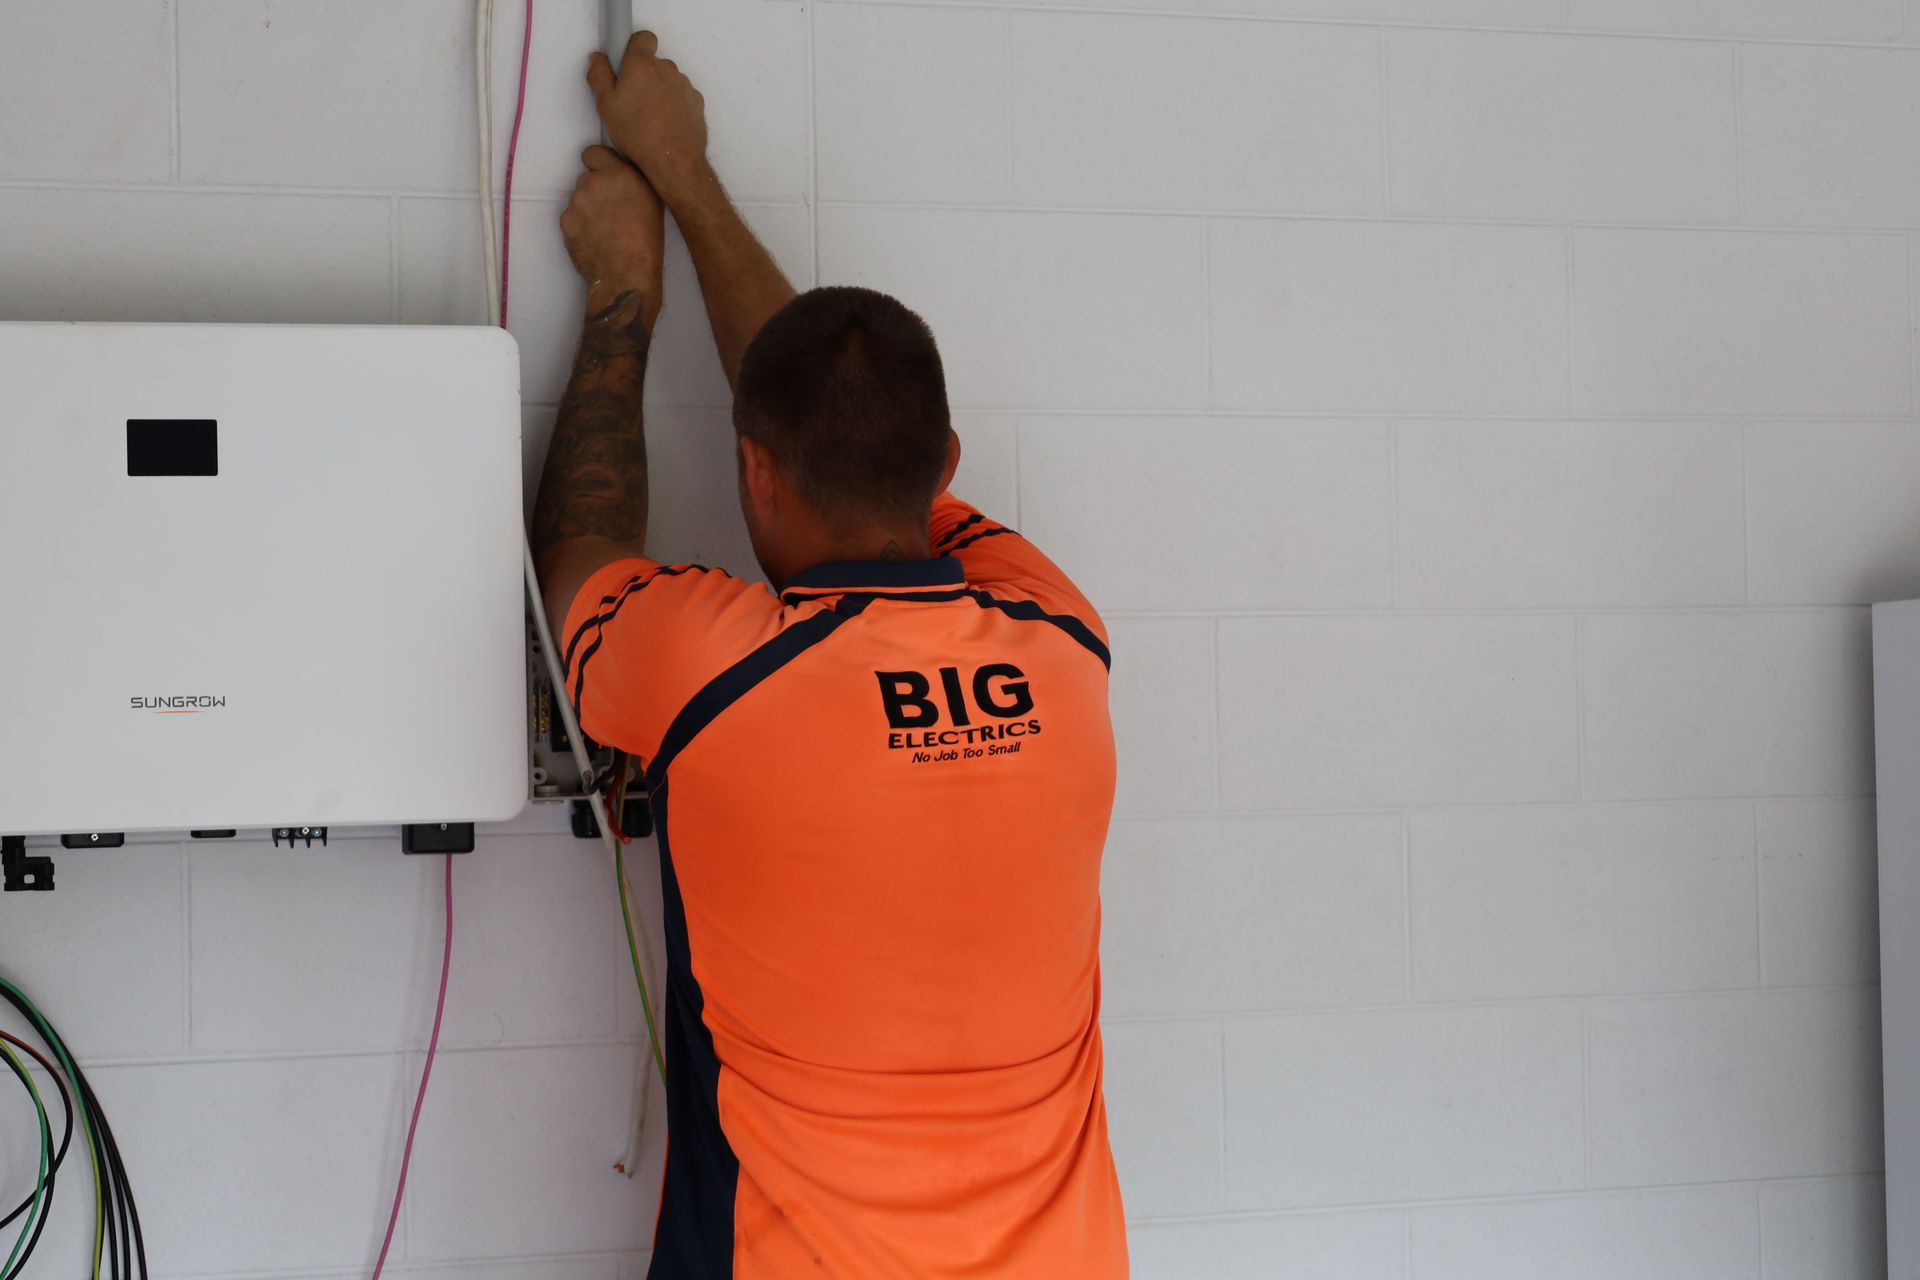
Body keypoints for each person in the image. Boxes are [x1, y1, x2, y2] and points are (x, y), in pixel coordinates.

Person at [531, 31, 1128, 1280]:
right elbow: (843, 428)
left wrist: (623, 283)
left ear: (751, 466)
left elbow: (581, 555)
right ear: (950, 465)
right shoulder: (1063, 639)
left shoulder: (716, 673)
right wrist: (690, 176)